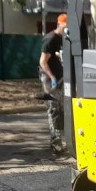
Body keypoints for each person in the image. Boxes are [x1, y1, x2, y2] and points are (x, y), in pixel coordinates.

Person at [38, 13, 67, 155]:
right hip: (49, 79)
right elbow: (42, 61)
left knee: (63, 109)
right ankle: (55, 143)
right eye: (65, 27)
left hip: (60, 77)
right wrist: (52, 77)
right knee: (53, 109)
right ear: (59, 25)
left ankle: (63, 140)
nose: (67, 30)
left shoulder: (64, 39)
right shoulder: (50, 39)